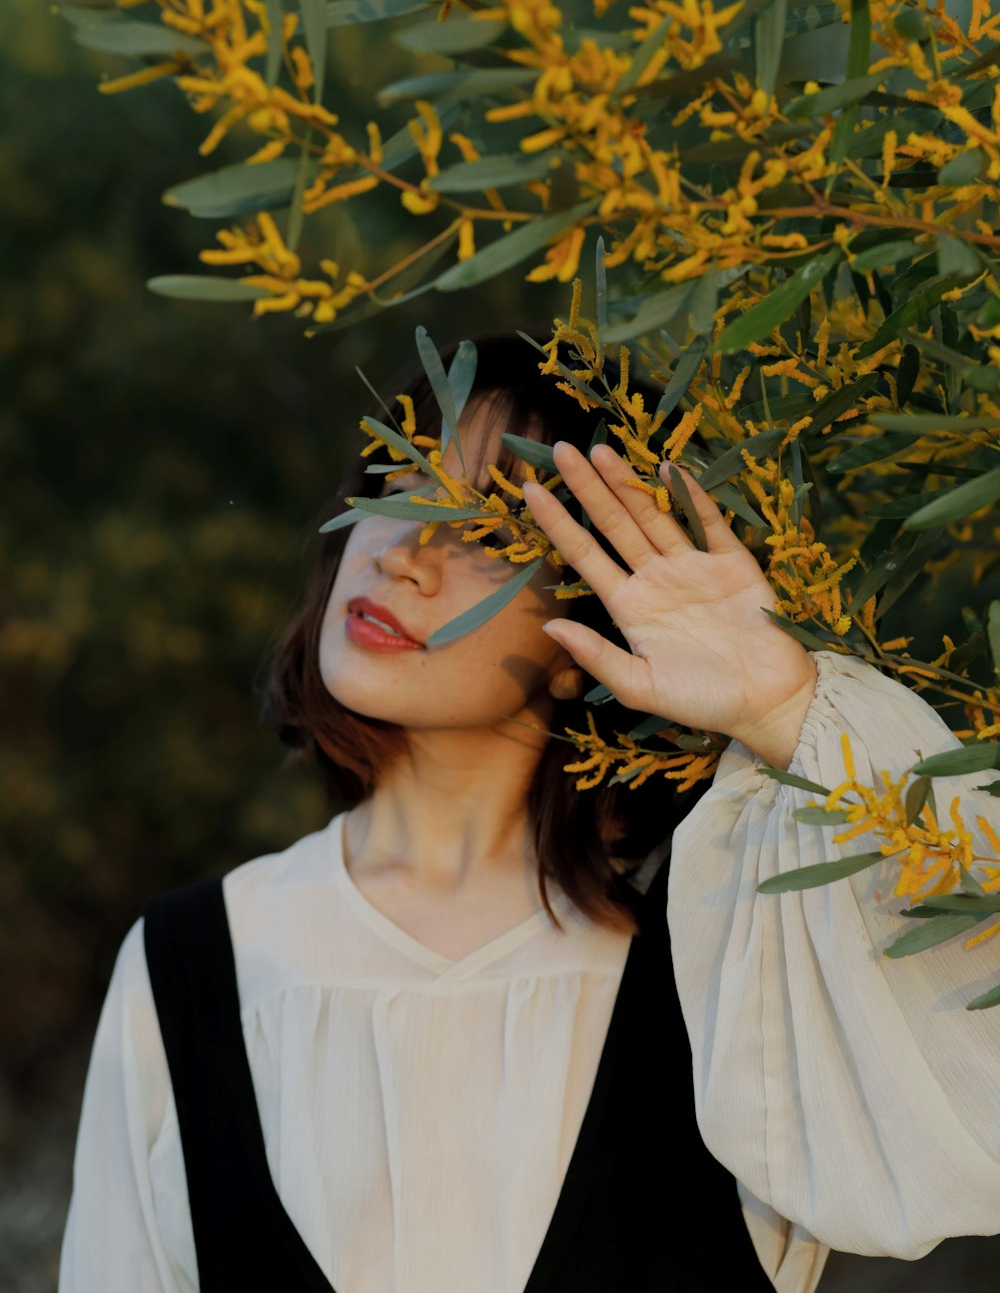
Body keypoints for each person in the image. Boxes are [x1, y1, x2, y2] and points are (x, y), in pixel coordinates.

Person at [58, 327, 1000, 1293]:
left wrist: (784, 710)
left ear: (589, 621)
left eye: (481, 530)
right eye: (394, 482)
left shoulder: (735, 984)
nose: (402, 554)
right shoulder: (189, 966)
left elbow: (977, 1083)